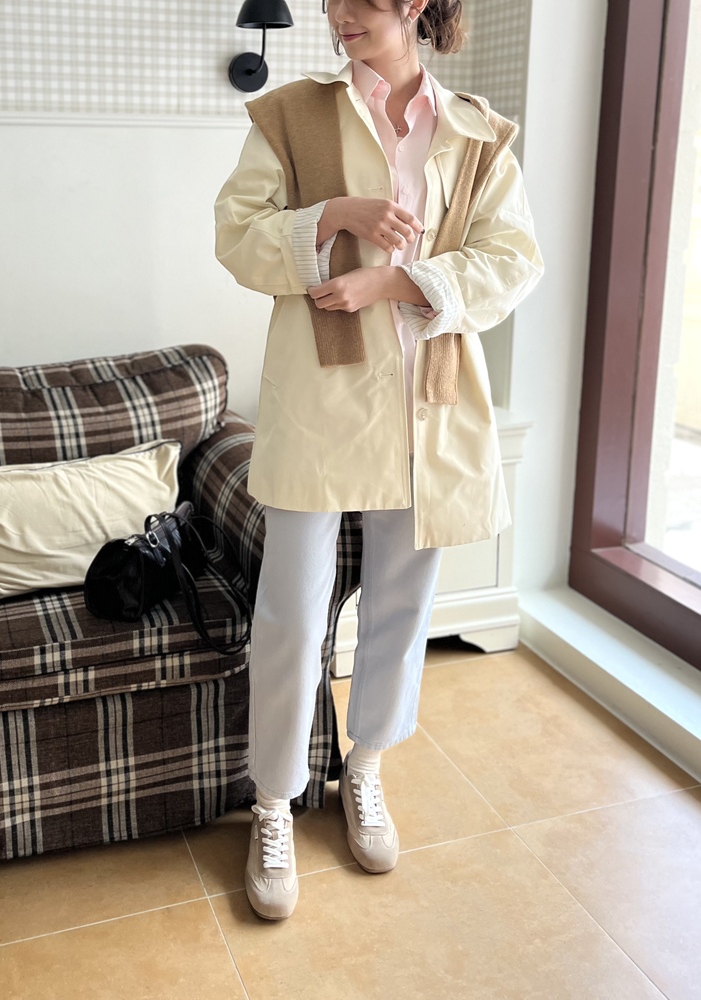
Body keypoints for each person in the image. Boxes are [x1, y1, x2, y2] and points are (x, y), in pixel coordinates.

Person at [214, 0, 543, 921]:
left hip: (428, 403)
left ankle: (365, 767)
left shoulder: (476, 130)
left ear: (415, 4)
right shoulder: (292, 115)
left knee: (403, 603)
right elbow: (236, 235)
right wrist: (332, 216)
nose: (337, 14)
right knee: (290, 613)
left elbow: (513, 260)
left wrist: (395, 280)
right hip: (320, 400)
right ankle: (274, 802)